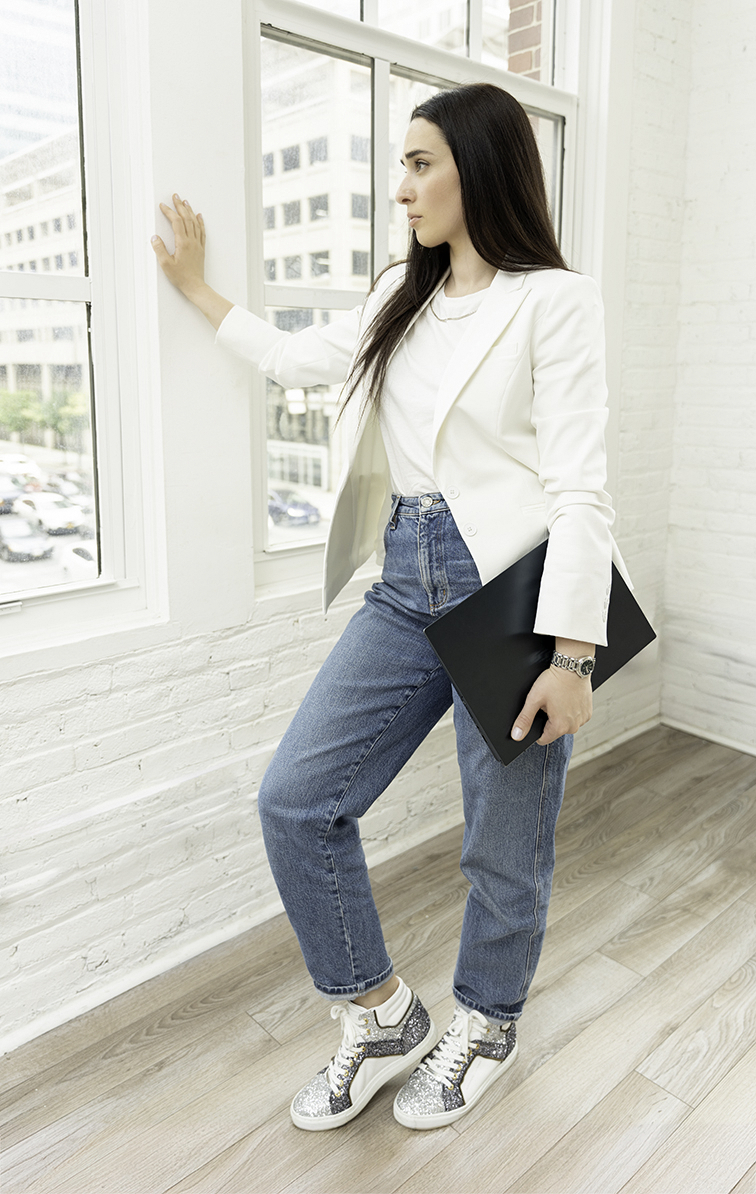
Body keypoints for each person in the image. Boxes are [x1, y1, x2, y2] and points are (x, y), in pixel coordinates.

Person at [152, 82, 629, 1133]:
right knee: (296, 799)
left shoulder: (554, 299)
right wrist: (195, 289)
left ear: (480, 167)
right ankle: (380, 1016)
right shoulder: (397, 295)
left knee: (502, 845)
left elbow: (580, 485)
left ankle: (488, 1021)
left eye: (419, 164)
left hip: (510, 586)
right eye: (401, 165)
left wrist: (574, 658)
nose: (399, 186)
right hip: (403, 575)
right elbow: (293, 359)